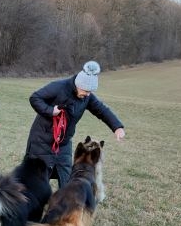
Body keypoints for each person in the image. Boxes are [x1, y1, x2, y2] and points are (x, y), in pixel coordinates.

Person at [25, 60, 125, 188]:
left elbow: (102, 110)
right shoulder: (59, 87)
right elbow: (35, 98)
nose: (88, 94)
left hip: (64, 144)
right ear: (79, 84)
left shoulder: (87, 96)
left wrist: (117, 127)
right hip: (42, 141)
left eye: (90, 92)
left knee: (67, 182)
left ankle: (64, 207)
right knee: (38, 183)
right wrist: (51, 111)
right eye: (86, 90)